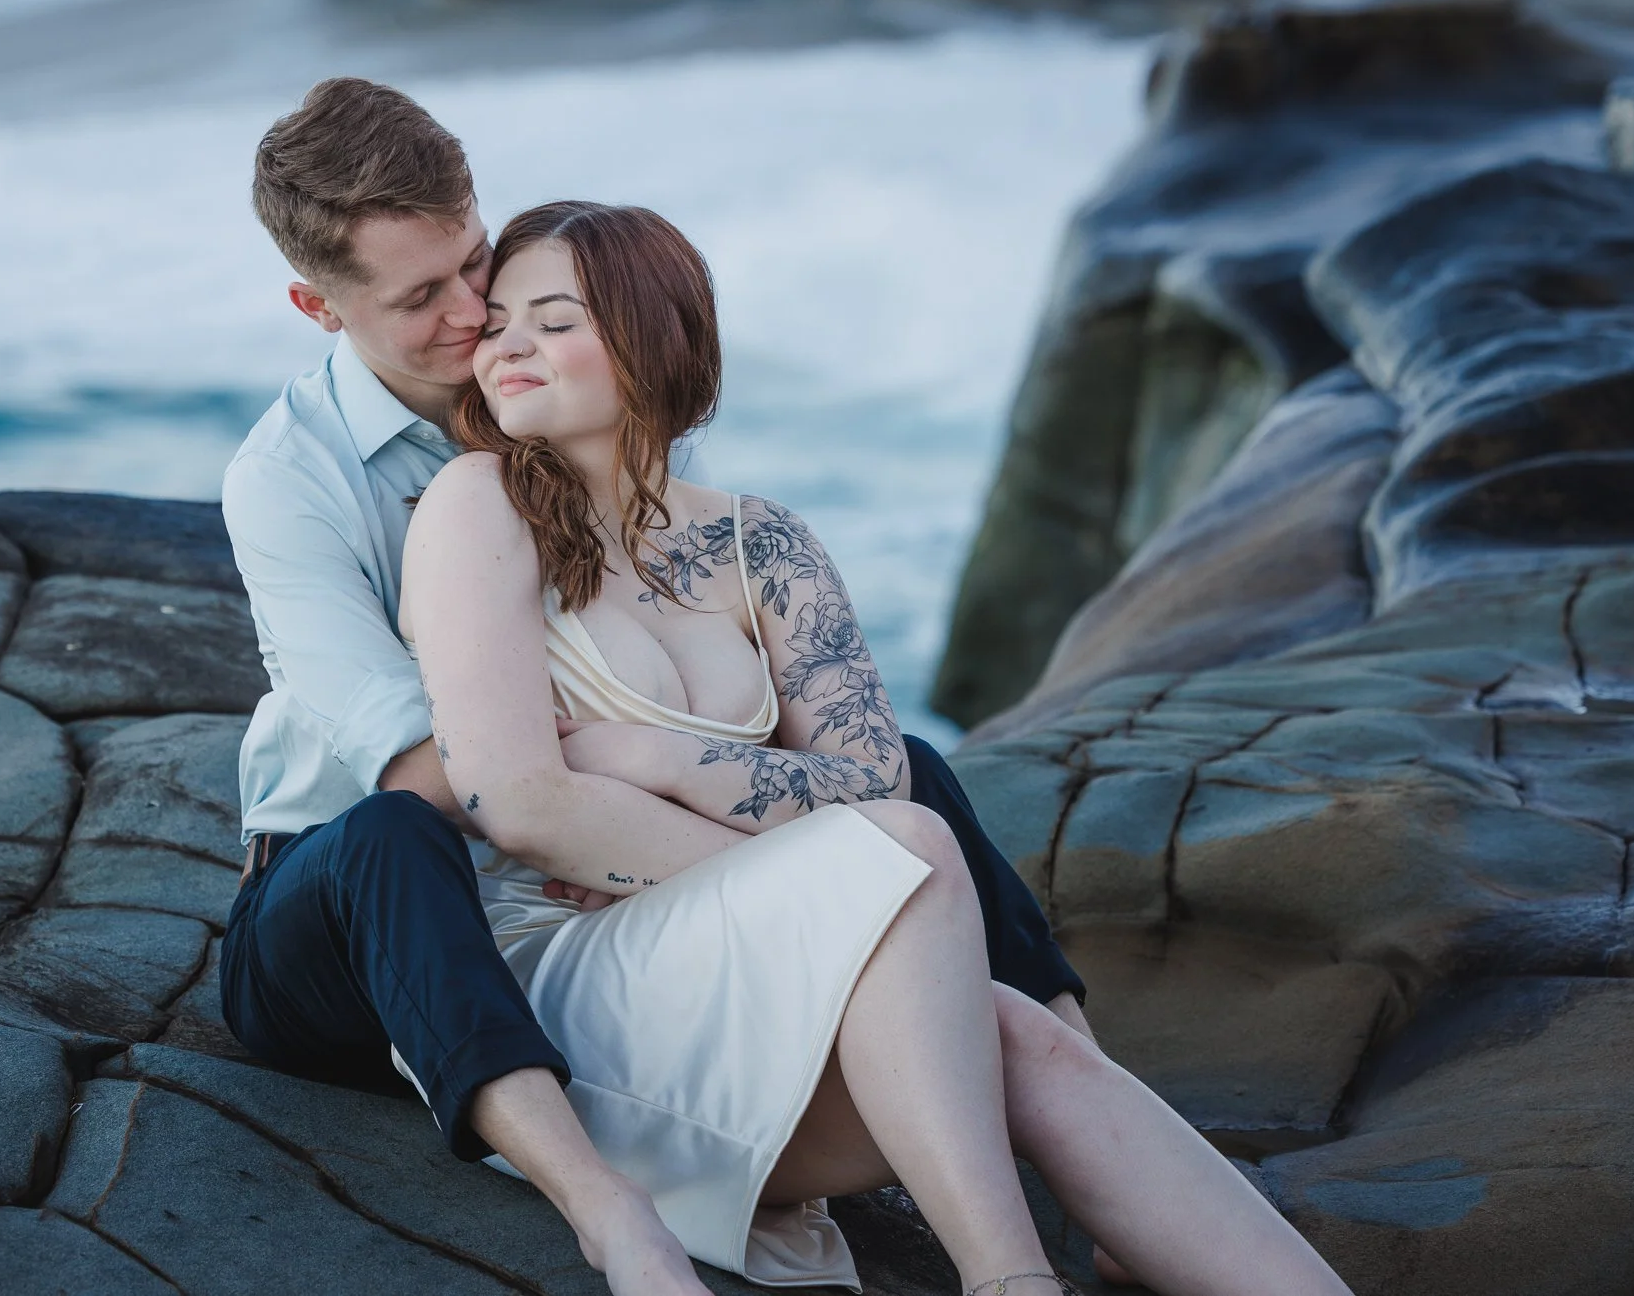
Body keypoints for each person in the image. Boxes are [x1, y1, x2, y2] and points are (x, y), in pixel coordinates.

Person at [215, 79, 1103, 1293]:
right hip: (351, 911)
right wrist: (789, 880)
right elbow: (437, 764)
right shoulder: (290, 480)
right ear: (317, 305)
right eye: (423, 297)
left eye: (475, 261)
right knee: (395, 835)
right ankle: (606, 1212)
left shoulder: (545, 386)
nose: (476, 311)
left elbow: (676, 643)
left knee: (915, 777)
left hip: (573, 860)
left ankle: (1082, 1090)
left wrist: (739, 798)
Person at [399, 200, 1356, 1295]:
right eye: (499, 319)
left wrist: (657, 761)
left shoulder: (767, 544)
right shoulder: (477, 506)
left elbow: (867, 776)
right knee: (902, 854)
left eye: (553, 318)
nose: (505, 343)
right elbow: (518, 798)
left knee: (1024, 1035)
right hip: (579, 986)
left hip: (749, 967)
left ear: (652, 338)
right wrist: (828, 878)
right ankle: (1009, 1278)